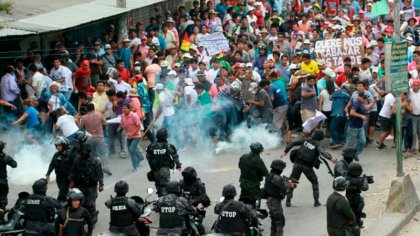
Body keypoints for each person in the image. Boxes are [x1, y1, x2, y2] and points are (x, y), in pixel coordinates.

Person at [282, 130, 337, 207]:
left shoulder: (307, 139)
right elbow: (323, 152)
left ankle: (288, 201)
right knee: (314, 182)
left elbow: (293, 143)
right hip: (307, 166)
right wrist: (331, 158)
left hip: (297, 163)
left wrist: (285, 151)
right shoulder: (318, 144)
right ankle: (316, 202)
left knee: (292, 181)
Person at [68, 143, 104, 224]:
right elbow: (73, 171)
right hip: (80, 185)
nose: (84, 152)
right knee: (81, 203)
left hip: (91, 185)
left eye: (85, 151)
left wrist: (101, 184)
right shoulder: (77, 160)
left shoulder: (95, 161)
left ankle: (92, 217)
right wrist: (71, 181)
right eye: (82, 151)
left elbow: (99, 173)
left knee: (90, 203)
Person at [263, 159, 297, 236]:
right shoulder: (276, 177)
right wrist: (290, 183)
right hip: (274, 201)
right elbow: (284, 186)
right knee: (279, 221)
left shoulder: (271, 175)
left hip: (272, 201)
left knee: (275, 221)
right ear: (278, 168)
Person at [77, 103, 112, 175]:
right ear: (94, 108)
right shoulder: (99, 115)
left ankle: (95, 169)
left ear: (87, 109)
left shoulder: (84, 118)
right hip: (99, 137)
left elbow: (80, 128)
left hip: (89, 138)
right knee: (103, 153)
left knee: (92, 155)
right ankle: (105, 167)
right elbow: (105, 123)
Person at [146, 128, 181, 197]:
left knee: (158, 186)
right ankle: (165, 201)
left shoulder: (152, 146)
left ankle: (160, 198)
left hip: (155, 170)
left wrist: (153, 164)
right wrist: (178, 165)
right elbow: (175, 157)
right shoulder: (168, 146)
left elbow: (148, 157)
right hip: (165, 170)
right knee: (166, 186)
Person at [179, 167, 211, 234]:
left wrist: (194, 202)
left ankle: (198, 218)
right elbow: (177, 194)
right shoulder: (181, 183)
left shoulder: (199, 184)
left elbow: (203, 196)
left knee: (198, 224)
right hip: (184, 203)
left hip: (196, 204)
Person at [238, 142, 269, 208]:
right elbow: (265, 173)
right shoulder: (258, 160)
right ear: (259, 151)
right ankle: (256, 214)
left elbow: (240, 166)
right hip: (253, 185)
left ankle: (241, 213)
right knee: (257, 200)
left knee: (243, 199)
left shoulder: (243, 156)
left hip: (243, 183)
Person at [46, 136, 73, 202]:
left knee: (62, 193)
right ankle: (68, 202)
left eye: (60, 145)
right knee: (63, 191)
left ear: (64, 145)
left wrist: (72, 180)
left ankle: (59, 203)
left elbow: (74, 167)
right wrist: (48, 174)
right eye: (57, 146)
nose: (58, 147)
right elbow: (52, 165)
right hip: (59, 176)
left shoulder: (70, 154)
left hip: (66, 177)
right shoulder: (56, 154)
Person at [121, 103, 144, 171]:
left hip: (136, 136)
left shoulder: (134, 116)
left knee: (132, 150)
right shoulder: (122, 116)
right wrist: (123, 126)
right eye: (123, 108)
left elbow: (138, 126)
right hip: (128, 136)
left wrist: (132, 133)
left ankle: (135, 166)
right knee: (131, 150)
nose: (123, 110)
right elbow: (121, 123)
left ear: (129, 109)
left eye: (125, 108)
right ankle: (140, 157)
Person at [346, 163, 369, 228]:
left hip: (342, 199)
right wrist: (365, 181)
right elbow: (365, 188)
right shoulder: (357, 181)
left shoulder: (344, 178)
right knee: (361, 201)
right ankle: (357, 220)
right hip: (352, 200)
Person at [0, 141, 17, 223]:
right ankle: (1, 219)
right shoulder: (5, 157)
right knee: (2, 201)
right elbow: (14, 165)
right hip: (2, 183)